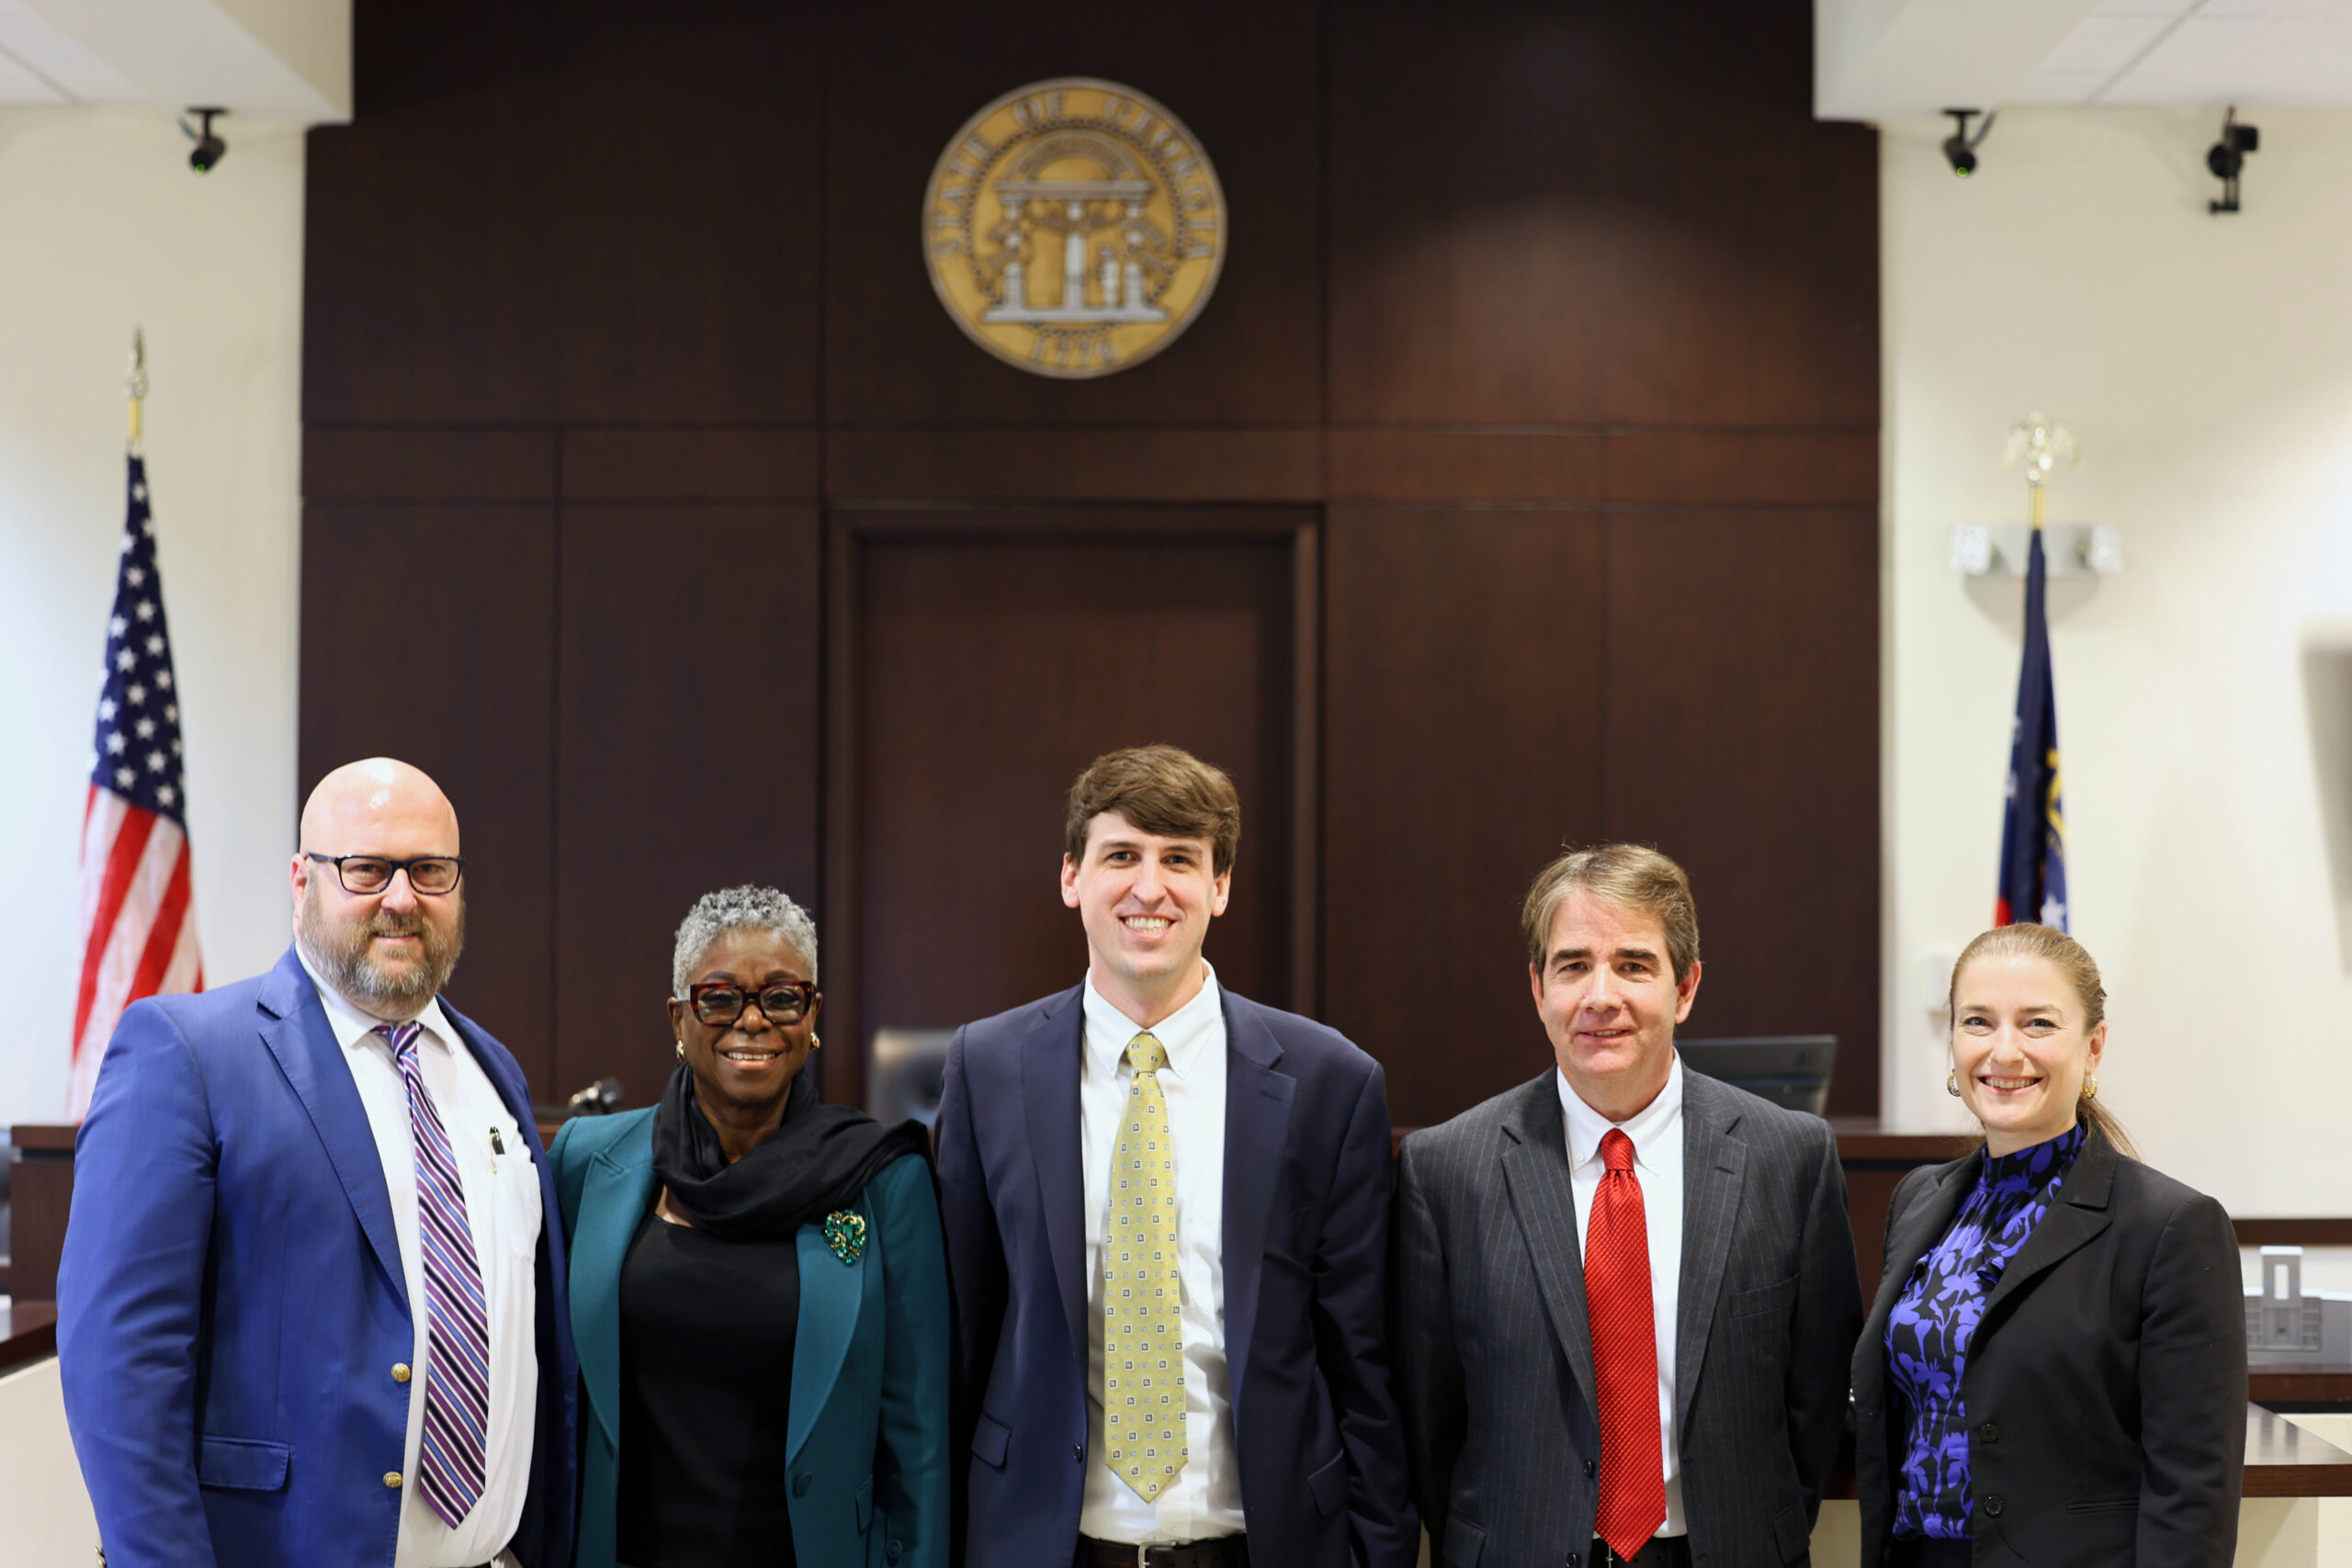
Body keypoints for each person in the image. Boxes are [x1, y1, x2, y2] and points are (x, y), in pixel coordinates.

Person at [59, 757, 578, 1568]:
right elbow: (121, 1367)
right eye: (367, 868)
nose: (402, 898)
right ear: (302, 881)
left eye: (430, 870)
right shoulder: (187, 1053)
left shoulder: (493, 1073)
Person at [935, 744, 1418, 1568]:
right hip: (1045, 1546)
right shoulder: (987, 1069)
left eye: (1180, 860)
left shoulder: (1330, 1083)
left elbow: (1363, 1363)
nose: (1149, 888)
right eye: (1120, 855)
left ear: (1220, 887)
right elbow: (960, 1339)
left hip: (1259, 1547)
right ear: (1071, 877)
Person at [1394, 844, 1862, 1568]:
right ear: (1537, 987)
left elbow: (1817, 1398)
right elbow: (1433, 1422)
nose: (1599, 995)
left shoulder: (1789, 1157)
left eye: (1634, 964)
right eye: (1573, 964)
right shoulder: (1447, 1169)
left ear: (1685, 988)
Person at [549, 885, 947, 1568]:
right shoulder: (587, 1162)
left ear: (812, 1013)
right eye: (721, 997)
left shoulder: (882, 1180)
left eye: (783, 996)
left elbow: (918, 1438)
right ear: (679, 1017)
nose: (753, 1020)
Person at [1851, 923, 2245, 1568]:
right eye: (1978, 1021)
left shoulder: (2170, 1226)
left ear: (2093, 1046)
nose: (2004, 1050)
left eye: (2037, 1024)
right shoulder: (1918, 1199)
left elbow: (2193, 1488)